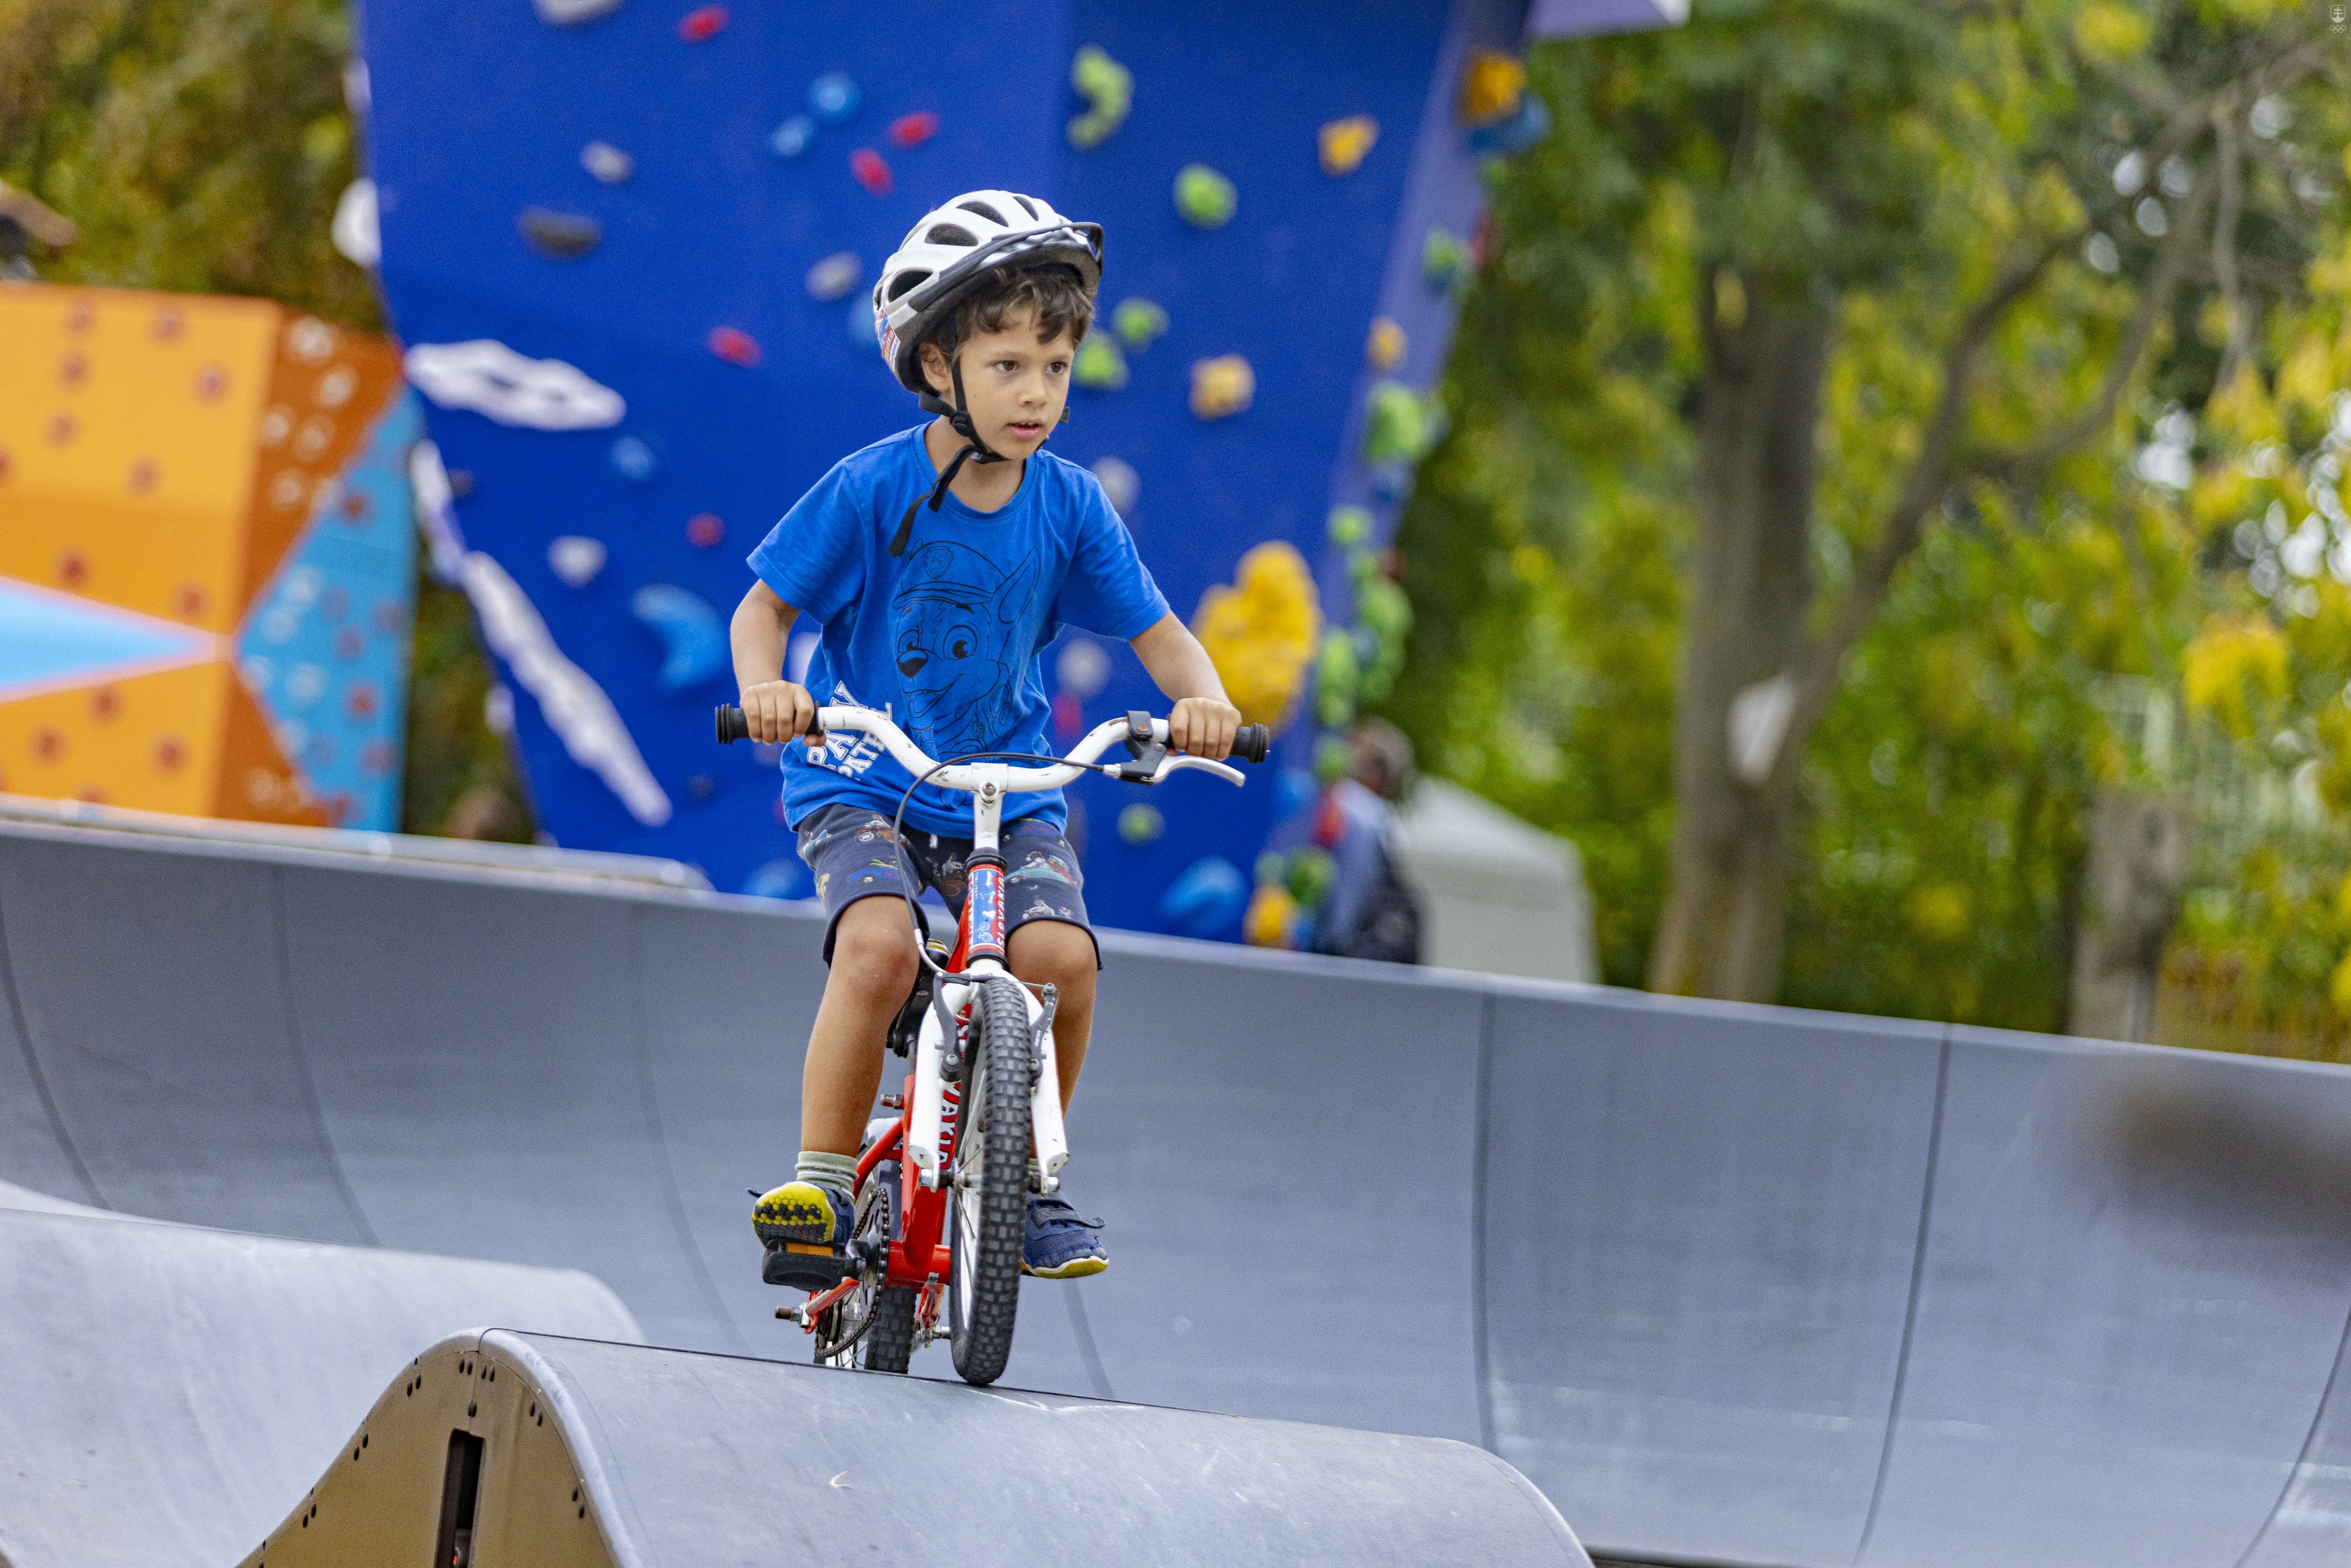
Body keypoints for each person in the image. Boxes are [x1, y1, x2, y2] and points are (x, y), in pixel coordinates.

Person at [730, 190, 1243, 1281]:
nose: (1037, 393)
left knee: (1060, 960)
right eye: (1008, 363)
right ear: (932, 366)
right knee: (874, 948)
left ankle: (1022, 1187)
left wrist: (1205, 701)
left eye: (1056, 368)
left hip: (1007, 790)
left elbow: (1162, 636)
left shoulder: (1069, 505)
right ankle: (820, 1183)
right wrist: (767, 687)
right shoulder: (871, 490)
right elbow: (764, 609)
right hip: (862, 774)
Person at [1299, 718, 1423, 963]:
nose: (1345, 747)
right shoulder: (1383, 824)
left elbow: (1343, 916)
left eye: (1356, 744)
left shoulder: (1358, 812)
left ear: (1377, 773)